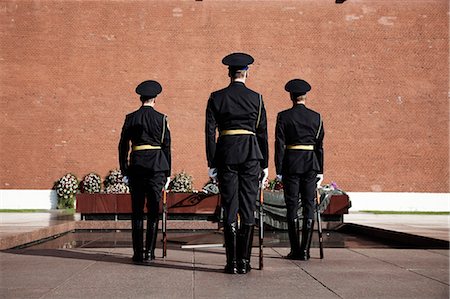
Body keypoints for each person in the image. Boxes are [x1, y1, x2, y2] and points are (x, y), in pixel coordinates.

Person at [205, 52, 269, 274]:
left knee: (230, 206)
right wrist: (266, 163)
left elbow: (209, 132)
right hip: (251, 155)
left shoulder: (216, 97)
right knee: (248, 207)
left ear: (229, 73)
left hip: (226, 155)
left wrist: (211, 162)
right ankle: (244, 262)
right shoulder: (257, 98)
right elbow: (262, 133)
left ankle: (231, 263)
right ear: (246, 73)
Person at [119, 80, 171, 263]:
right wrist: (168, 173)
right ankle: (149, 252)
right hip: (157, 168)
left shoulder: (130, 118)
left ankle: (137, 253)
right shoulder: (161, 119)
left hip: (137, 168)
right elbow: (166, 147)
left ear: (141, 98)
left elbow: (123, 146)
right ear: (155, 99)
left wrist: (124, 170)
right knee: (153, 210)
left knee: (137, 211)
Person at [275, 79, 324, 261]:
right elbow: (319, 146)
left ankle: (295, 249)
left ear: (291, 96)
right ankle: (305, 251)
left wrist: (279, 169)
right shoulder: (316, 117)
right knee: (309, 205)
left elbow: (279, 145)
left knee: (292, 206)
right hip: (311, 165)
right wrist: (320, 170)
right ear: (305, 96)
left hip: (291, 165)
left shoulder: (283, 116)